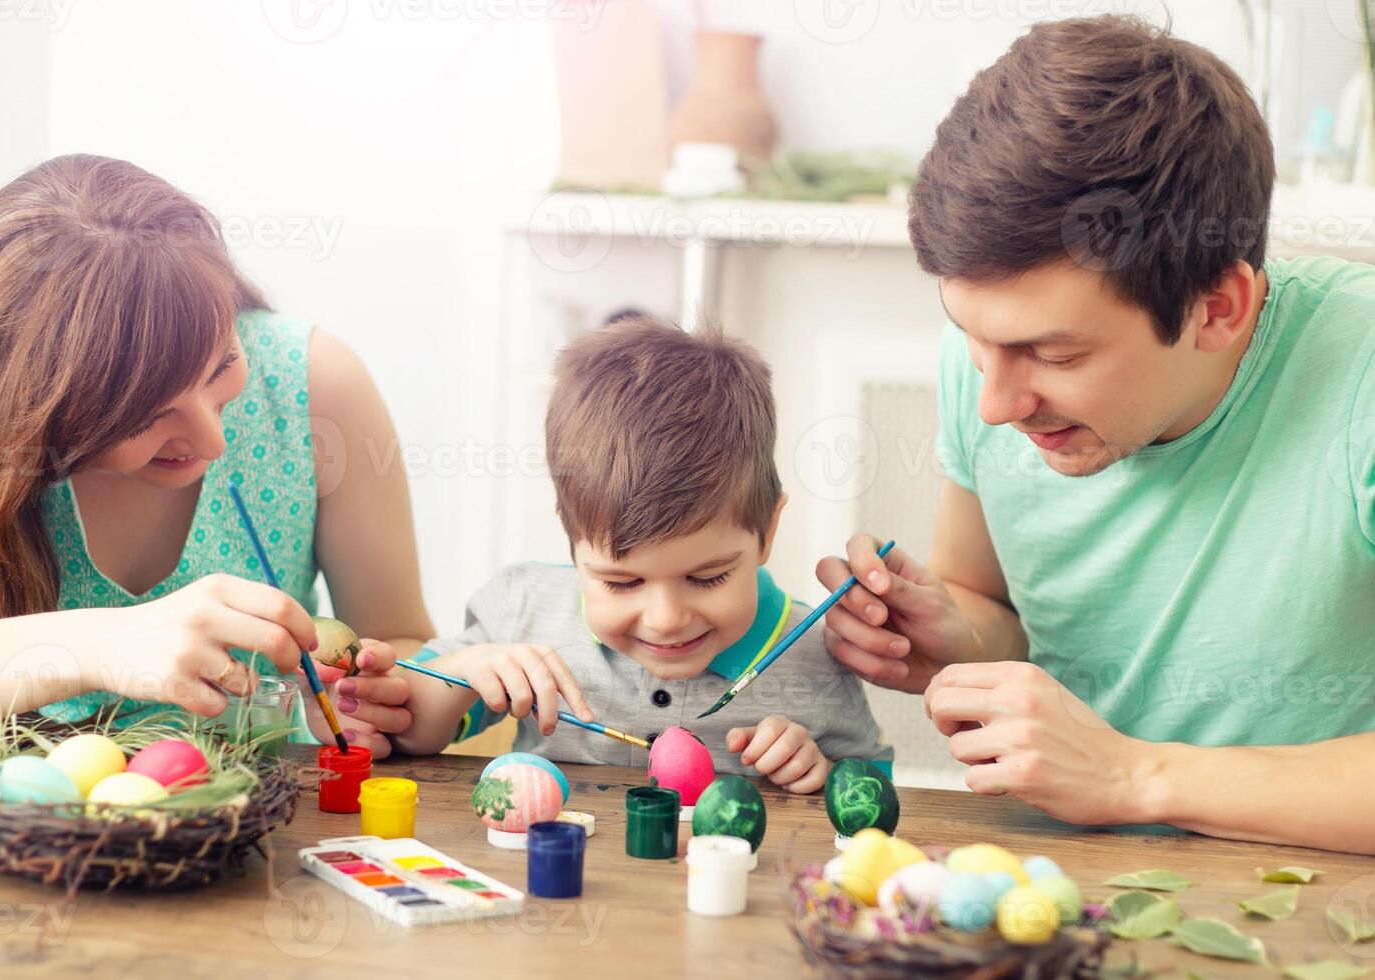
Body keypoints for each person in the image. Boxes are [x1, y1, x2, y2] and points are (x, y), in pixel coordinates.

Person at [817, 16, 1375, 853]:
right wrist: (955, 635)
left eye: (1053, 353)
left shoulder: (1359, 376)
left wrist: (1131, 775)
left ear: (1218, 308)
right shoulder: (989, 363)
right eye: (974, 338)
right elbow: (989, 598)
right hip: (1057, 891)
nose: (995, 404)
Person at [0, 154, 431, 758]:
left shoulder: (314, 384)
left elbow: (403, 638)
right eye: (149, 417)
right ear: (31, 405)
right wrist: (101, 644)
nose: (214, 442)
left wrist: (365, 697)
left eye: (222, 366)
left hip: (254, 830)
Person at [396, 316, 889, 792]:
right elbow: (409, 728)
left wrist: (821, 771)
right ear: (573, 541)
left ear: (767, 531)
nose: (666, 619)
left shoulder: (818, 657)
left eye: (708, 577)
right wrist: (464, 670)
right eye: (622, 583)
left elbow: (875, 796)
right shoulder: (524, 610)